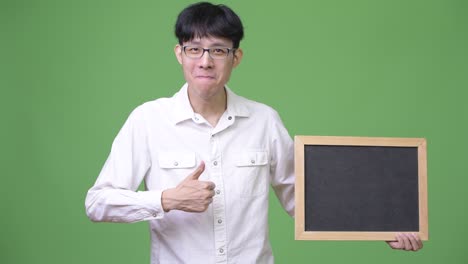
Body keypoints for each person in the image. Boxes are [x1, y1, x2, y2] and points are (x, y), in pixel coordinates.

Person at [85, 2, 423, 263]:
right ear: (180, 54)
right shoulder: (148, 120)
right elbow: (98, 202)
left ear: (236, 58)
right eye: (195, 49)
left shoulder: (264, 121)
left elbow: (306, 201)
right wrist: (166, 199)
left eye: (218, 50)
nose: (205, 61)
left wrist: (385, 224)